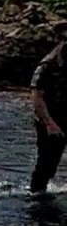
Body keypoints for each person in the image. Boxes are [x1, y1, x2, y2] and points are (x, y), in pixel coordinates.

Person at [29, 20, 67, 193]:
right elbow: (37, 97)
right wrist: (50, 124)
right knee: (46, 166)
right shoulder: (47, 65)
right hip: (50, 118)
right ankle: (37, 195)